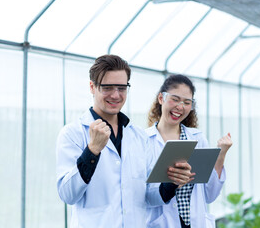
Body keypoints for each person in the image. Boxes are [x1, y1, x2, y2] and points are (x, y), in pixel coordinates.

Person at [56, 55, 193, 228]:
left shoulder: (138, 137)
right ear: (92, 87)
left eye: (122, 88)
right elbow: (68, 195)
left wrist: (172, 182)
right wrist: (92, 151)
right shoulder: (73, 134)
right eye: (107, 87)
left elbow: (149, 196)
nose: (115, 95)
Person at [146, 74, 233, 228]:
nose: (180, 107)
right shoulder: (145, 141)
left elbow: (210, 195)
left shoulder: (198, 139)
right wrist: (171, 184)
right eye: (175, 99)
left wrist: (221, 155)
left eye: (187, 102)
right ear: (161, 98)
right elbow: (144, 196)